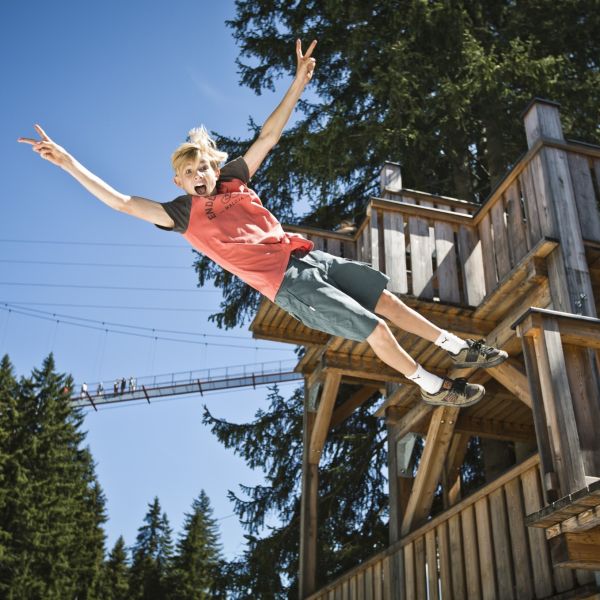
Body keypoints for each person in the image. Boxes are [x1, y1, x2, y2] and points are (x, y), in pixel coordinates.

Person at [18, 39, 507, 408]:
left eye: (203, 168)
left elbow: (268, 136)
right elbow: (123, 202)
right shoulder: (182, 215)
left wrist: (297, 84)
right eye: (189, 175)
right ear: (179, 182)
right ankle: (432, 385)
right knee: (375, 328)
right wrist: (67, 162)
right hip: (287, 284)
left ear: (213, 166)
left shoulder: (234, 179)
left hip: (308, 257)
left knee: (386, 300)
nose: (199, 178)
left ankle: (459, 347)